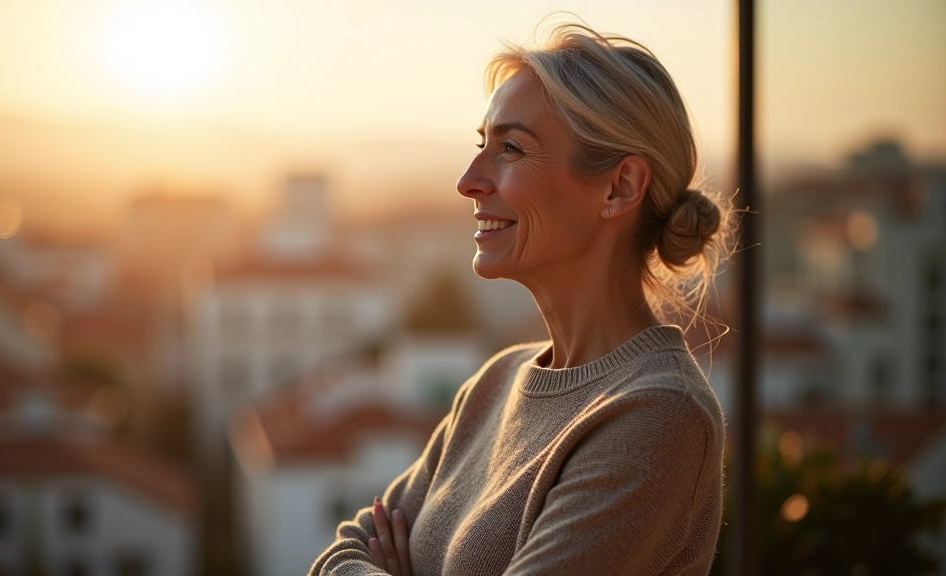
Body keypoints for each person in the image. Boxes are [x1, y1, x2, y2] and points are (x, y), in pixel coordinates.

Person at [310, 22, 731, 576]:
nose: (468, 180)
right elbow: (338, 555)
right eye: (481, 144)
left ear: (620, 187)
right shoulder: (492, 386)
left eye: (510, 148)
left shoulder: (659, 416)